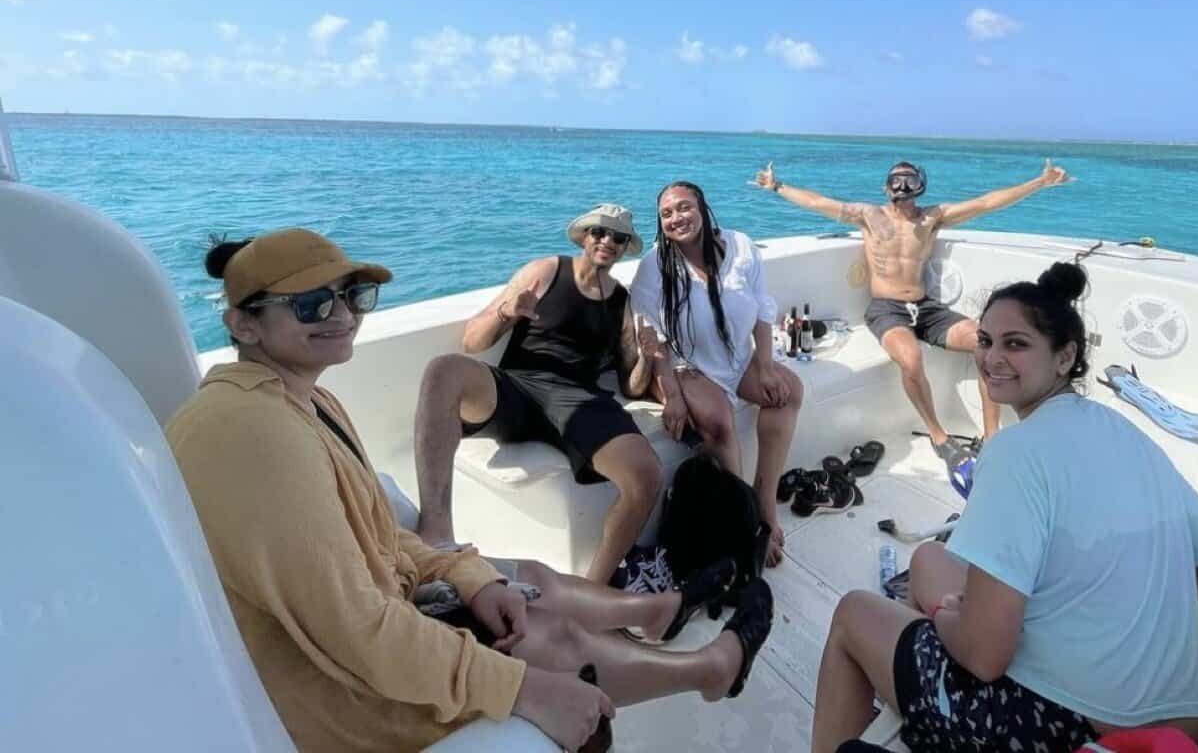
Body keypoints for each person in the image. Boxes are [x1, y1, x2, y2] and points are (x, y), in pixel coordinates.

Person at [167, 228, 773, 753]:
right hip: (343, 698)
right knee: (548, 637)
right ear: (242, 322)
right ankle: (711, 667)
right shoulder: (250, 432)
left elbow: (376, 538)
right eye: (310, 305)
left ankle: (657, 610)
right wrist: (524, 688)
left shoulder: (304, 399)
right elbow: (356, 635)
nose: (343, 315)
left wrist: (466, 576)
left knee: (522, 575)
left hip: (381, 609)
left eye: (352, 296)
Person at [809, 262, 1198, 753]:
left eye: (1016, 344)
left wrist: (946, 622)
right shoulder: (1130, 438)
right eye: (985, 341)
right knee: (928, 560)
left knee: (855, 613)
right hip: (1178, 731)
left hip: (1059, 729)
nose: (991, 358)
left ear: (1065, 356)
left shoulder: (1016, 451)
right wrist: (1123, 587)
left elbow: (984, 658)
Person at [755, 158, 1068, 468]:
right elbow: (819, 202)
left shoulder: (932, 218)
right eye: (896, 180)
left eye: (909, 180)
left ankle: (991, 437)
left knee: (986, 342)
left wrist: (1039, 182)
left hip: (926, 307)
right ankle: (938, 435)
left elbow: (986, 203)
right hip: (886, 309)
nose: (902, 186)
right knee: (911, 358)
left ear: (920, 185)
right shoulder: (869, 216)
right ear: (886, 186)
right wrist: (777, 186)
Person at [414, 203, 660, 584]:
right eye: (599, 232)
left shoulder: (621, 302)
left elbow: (631, 385)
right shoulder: (545, 271)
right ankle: (436, 533)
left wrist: (647, 357)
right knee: (442, 370)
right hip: (519, 387)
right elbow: (471, 341)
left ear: (625, 247)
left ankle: (591, 591)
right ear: (584, 236)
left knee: (645, 474)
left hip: (580, 401)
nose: (607, 241)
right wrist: (508, 313)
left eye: (618, 237)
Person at [629, 181, 803, 568]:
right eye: (667, 213)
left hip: (738, 359)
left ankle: (765, 504)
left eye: (684, 207)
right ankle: (743, 523)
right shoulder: (653, 267)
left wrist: (766, 366)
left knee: (788, 391)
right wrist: (671, 393)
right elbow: (651, 337)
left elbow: (761, 309)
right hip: (685, 366)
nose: (677, 217)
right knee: (719, 424)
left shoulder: (741, 246)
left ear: (703, 208)